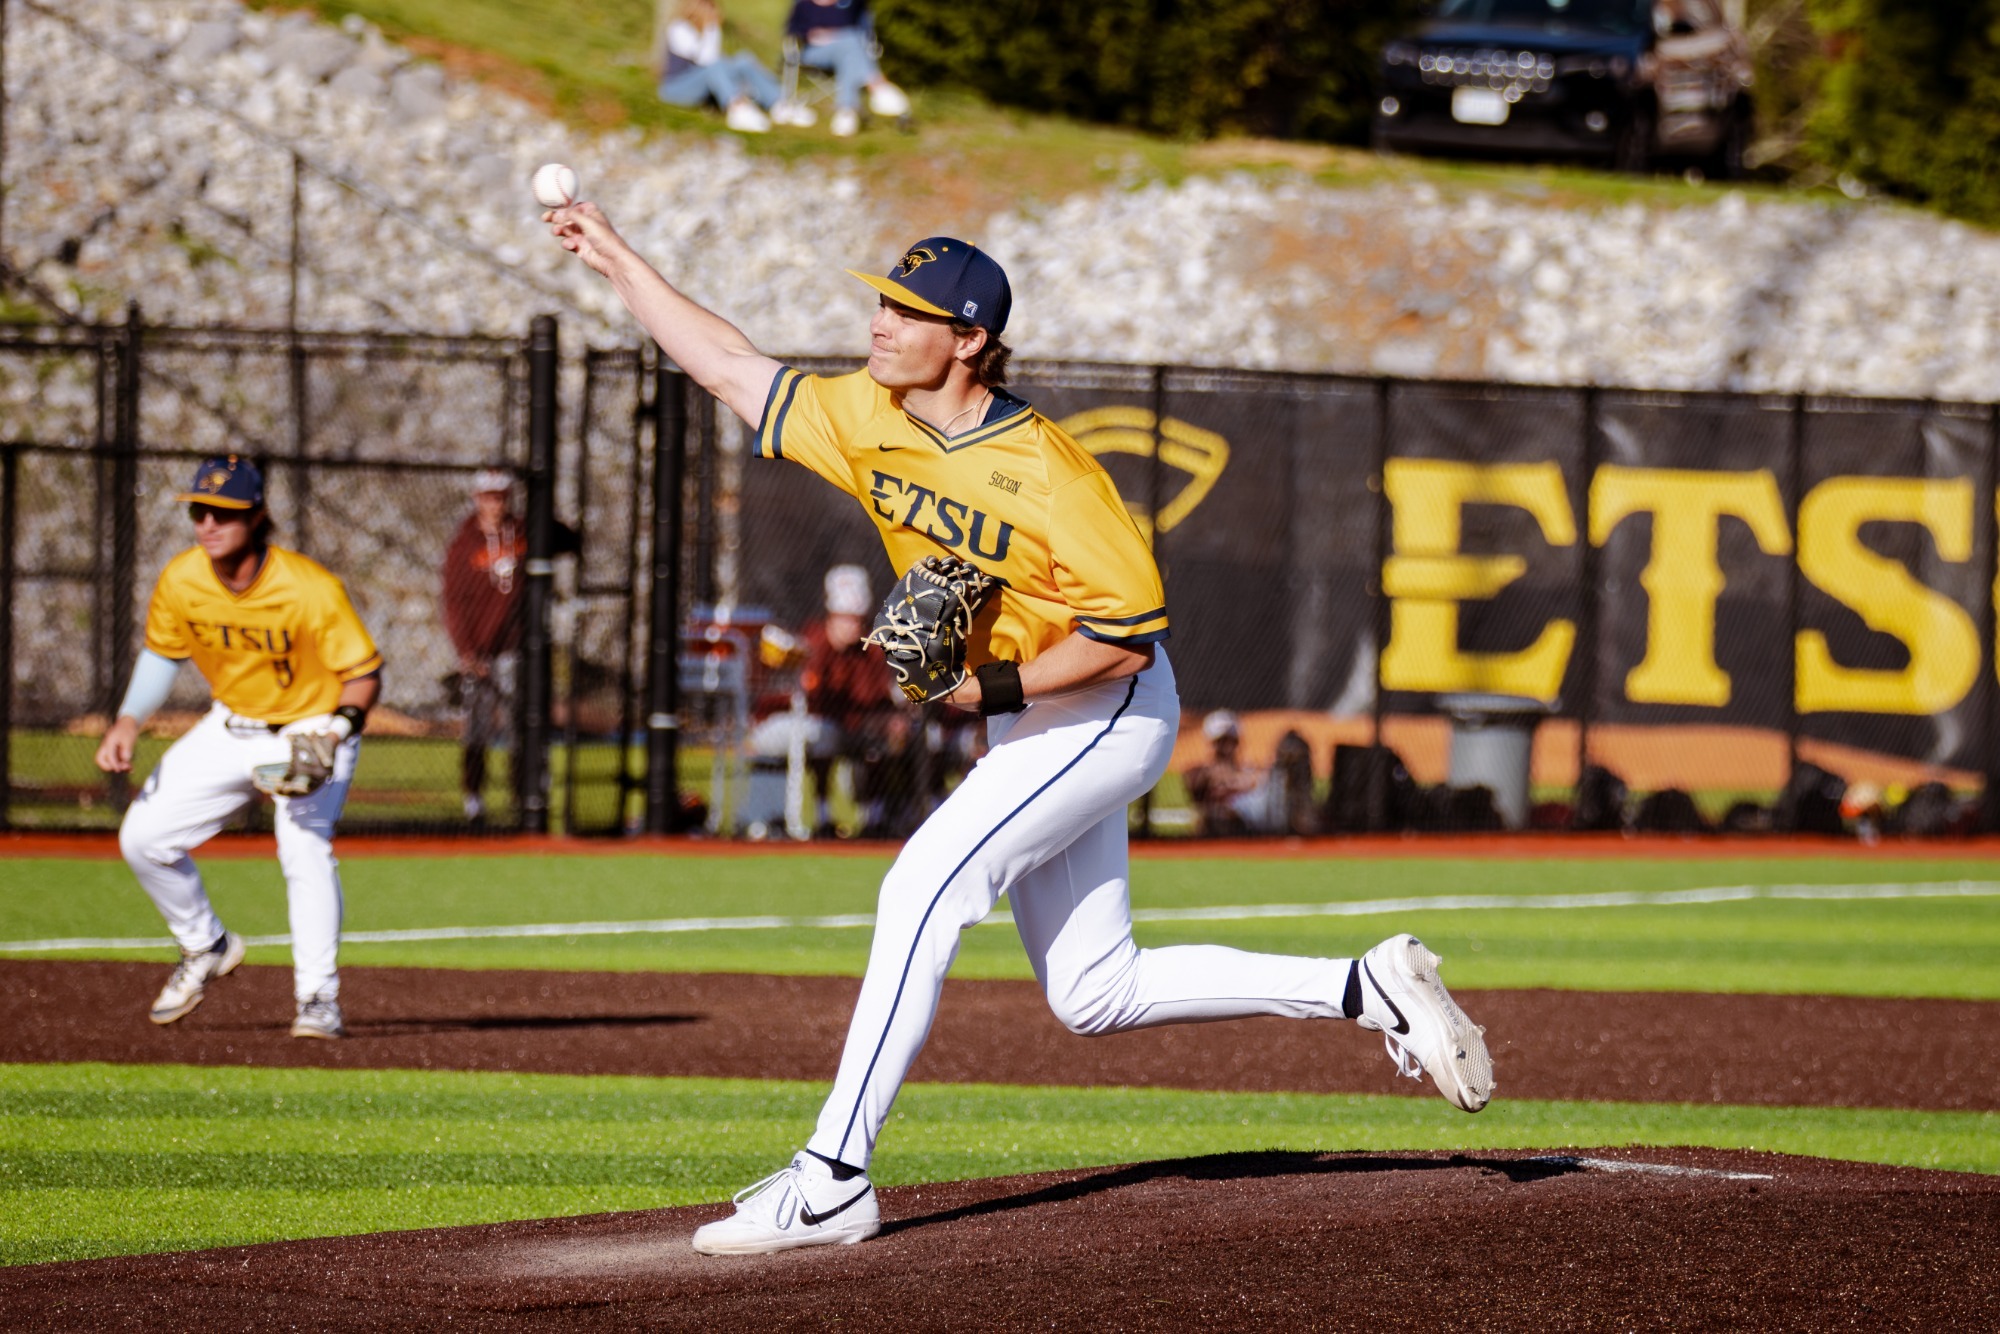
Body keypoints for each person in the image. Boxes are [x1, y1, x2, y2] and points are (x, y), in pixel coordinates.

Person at [544, 199, 1495, 1256]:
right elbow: (726, 365)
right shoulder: (868, 415)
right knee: (1096, 990)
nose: (878, 322)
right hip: (1034, 717)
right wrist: (620, 260)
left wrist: (985, 695)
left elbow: (1127, 637)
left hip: (1106, 709)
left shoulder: (1051, 471)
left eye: (905, 310)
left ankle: (832, 1176)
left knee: (919, 887)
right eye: (880, 301)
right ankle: (1364, 986)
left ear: (967, 340)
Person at [94, 456, 383, 1040]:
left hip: (312, 728)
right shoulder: (183, 578)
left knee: (303, 848)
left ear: (257, 517)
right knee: (143, 839)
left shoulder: (308, 587)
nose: (207, 523)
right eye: (199, 510)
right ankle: (207, 945)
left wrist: (336, 732)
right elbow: (163, 653)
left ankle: (317, 998)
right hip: (232, 726)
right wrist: (128, 719)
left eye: (223, 512)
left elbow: (364, 674)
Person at [749, 564, 920, 837]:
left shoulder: (868, 649)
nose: (853, 625)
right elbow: (806, 701)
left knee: (889, 737)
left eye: (857, 619)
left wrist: (889, 719)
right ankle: (820, 815)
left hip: (846, 728)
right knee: (822, 733)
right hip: (784, 725)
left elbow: (877, 700)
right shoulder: (813, 643)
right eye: (846, 618)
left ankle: (876, 817)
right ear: (831, 615)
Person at [440, 469, 522, 824]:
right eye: (488, 497)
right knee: (477, 726)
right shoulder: (464, 544)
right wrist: (467, 651)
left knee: (522, 725)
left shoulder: (521, 532)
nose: (495, 504)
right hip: (479, 651)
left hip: (515, 649)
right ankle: (474, 798)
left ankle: (524, 796)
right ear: (477, 499)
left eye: (501, 496)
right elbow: (453, 601)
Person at [655, 0, 812, 134]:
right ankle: (738, 108)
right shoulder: (679, 29)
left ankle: (780, 103)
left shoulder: (705, 29)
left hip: (703, 79)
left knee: (744, 59)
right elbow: (707, 60)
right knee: (716, 66)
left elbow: (713, 59)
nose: (714, 12)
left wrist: (712, 28)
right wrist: (712, 28)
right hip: (676, 88)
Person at [785, 0, 909, 137]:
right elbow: (794, 29)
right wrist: (818, 35)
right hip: (816, 52)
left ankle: (847, 111)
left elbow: (863, 27)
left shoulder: (851, 3)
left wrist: (835, 35)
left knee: (850, 47)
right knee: (850, 41)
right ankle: (877, 84)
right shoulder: (804, 4)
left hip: (849, 52)